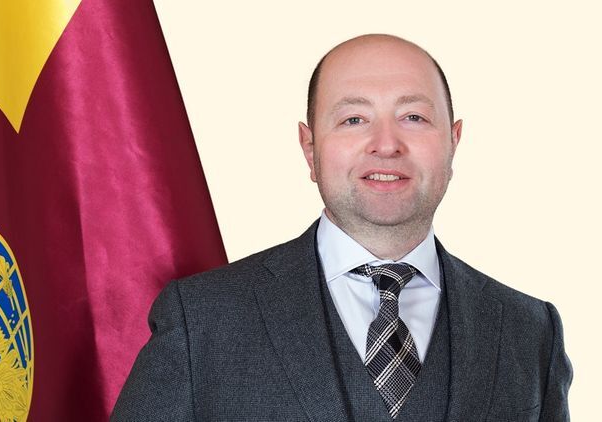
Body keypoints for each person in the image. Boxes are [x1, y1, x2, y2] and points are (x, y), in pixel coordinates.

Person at [111, 34, 572, 421]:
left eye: (414, 117)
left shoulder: (531, 331)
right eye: (354, 119)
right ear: (310, 149)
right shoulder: (201, 320)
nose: (386, 144)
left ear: (453, 143)